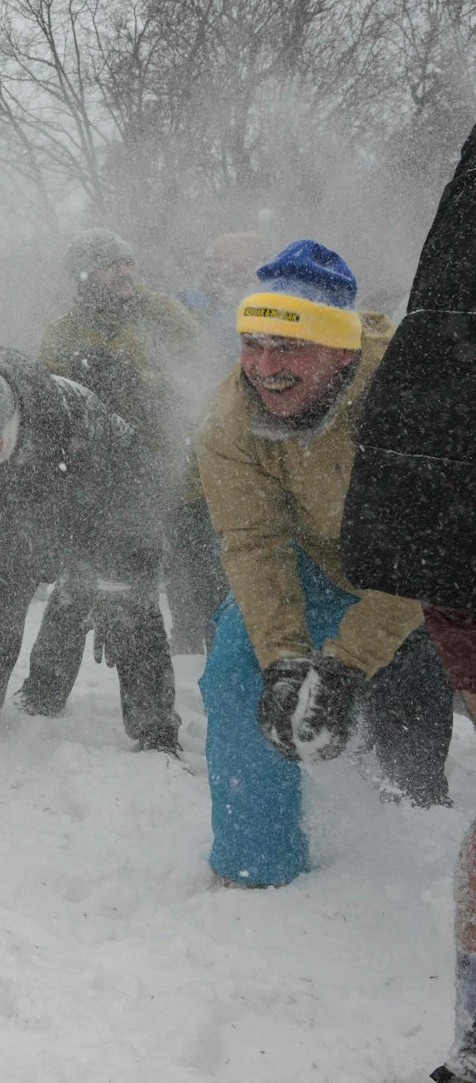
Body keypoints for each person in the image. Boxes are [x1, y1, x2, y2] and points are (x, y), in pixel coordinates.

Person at [196, 239, 453, 891]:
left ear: (342, 349)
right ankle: (258, 862)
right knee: (238, 672)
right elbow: (254, 546)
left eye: (289, 347)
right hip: (317, 560)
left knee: (409, 709)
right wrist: (286, 658)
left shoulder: (411, 399)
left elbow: (429, 552)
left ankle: (417, 854)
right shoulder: (229, 423)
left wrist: (344, 664)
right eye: (252, 344)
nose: (265, 366)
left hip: (422, 570)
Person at [337, 122, 476, 1083]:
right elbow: (401, 549)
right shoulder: (429, 368)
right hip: (444, 561)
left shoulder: (400, 363)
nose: (266, 366)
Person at [0, 349, 181, 752]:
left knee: (120, 606)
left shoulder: (74, 423)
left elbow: (133, 510)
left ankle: (156, 731)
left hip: (104, 503)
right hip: (20, 504)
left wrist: (118, 580)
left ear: (13, 413)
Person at [25, 229, 207, 702]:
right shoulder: (62, 331)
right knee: (74, 585)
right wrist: (79, 384)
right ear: (84, 275)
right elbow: (47, 406)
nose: (125, 272)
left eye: (127, 262)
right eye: (112, 264)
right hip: (88, 476)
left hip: (155, 471)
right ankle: (43, 693)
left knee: (134, 594)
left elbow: (202, 376)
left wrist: (135, 378)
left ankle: (152, 714)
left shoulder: (163, 316)